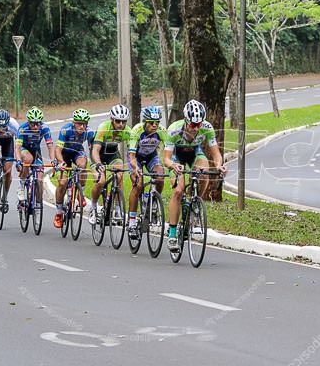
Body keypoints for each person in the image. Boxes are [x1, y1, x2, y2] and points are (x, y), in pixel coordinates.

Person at [163, 100, 226, 252]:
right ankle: (172, 234)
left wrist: (219, 165)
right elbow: (166, 158)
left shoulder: (207, 128)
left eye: (199, 124)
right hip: (176, 157)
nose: (196, 128)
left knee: (204, 173)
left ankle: (196, 204)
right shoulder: (174, 130)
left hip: (195, 153)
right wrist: (173, 165)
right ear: (186, 121)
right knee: (178, 190)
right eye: (193, 125)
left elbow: (216, 153)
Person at [127, 106, 167, 239]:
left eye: (157, 122)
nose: (154, 125)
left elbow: (169, 151)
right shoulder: (136, 131)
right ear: (145, 122)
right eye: (151, 123)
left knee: (160, 176)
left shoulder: (161, 131)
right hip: (135, 158)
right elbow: (132, 156)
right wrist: (135, 168)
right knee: (138, 184)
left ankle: (153, 203)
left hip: (151, 156)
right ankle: (132, 222)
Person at [88, 104, 131, 225]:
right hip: (98, 155)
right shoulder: (104, 127)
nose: (121, 125)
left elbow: (133, 150)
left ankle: (117, 209)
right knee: (100, 181)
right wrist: (98, 164)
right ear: (112, 120)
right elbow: (95, 150)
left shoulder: (127, 131)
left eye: (123, 122)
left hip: (113, 154)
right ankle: (93, 207)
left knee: (119, 176)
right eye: (118, 121)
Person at [54, 108, 95, 229]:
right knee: (62, 182)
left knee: (83, 165)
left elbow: (93, 149)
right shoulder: (66, 130)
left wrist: (94, 163)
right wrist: (61, 163)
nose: (82, 127)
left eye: (84, 124)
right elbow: (58, 150)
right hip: (64, 155)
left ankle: (80, 192)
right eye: (79, 123)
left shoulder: (89, 132)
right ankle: (58, 212)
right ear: (74, 122)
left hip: (77, 152)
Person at [15, 106, 57, 206]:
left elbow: (50, 146)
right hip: (23, 150)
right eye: (32, 124)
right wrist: (18, 161)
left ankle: (38, 207)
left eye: (38, 124)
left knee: (39, 179)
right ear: (28, 122)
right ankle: (21, 187)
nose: (35, 127)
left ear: (41, 123)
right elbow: (17, 147)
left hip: (36, 151)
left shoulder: (45, 128)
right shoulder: (22, 129)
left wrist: (53, 160)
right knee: (28, 159)